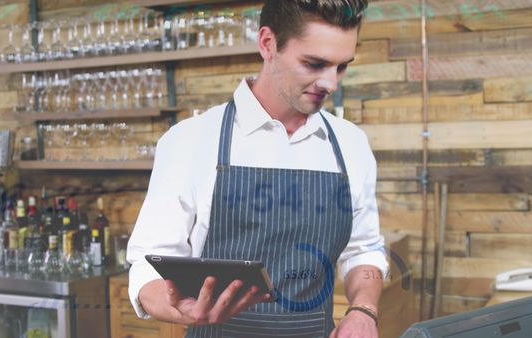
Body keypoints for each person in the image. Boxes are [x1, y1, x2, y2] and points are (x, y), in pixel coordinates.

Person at [127, 0, 389, 337]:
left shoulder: (351, 144)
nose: (331, 83)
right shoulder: (190, 140)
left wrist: (363, 311)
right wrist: (176, 305)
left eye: (341, 67)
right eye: (314, 63)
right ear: (268, 43)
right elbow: (149, 264)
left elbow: (364, 250)